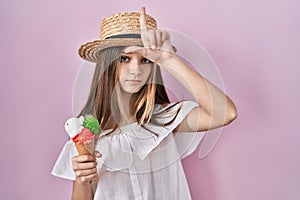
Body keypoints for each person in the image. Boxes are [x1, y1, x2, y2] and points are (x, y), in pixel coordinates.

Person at [52, 7, 237, 200]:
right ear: (107, 64)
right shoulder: (87, 135)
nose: (136, 69)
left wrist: (168, 60)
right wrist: (83, 180)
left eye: (145, 60)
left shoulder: (164, 120)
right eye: (124, 58)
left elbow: (225, 113)